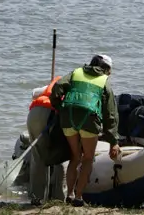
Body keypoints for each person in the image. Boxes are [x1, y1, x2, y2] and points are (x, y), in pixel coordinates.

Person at [49, 54, 121, 207]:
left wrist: (59, 108)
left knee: (75, 157)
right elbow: (111, 114)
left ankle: (69, 194)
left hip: (68, 118)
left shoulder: (75, 73)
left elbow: (57, 88)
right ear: (106, 69)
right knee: (87, 158)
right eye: (109, 70)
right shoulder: (104, 82)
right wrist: (113, 141)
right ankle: (79, 197)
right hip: (89, 119)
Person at [26, 75, 67, 206]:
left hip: (34, 112)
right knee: (61, 156)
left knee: (38, 157)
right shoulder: (85, 87)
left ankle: (36, 198)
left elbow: (34, 93)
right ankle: (58, 198)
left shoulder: (57, 83)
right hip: (51, 115)